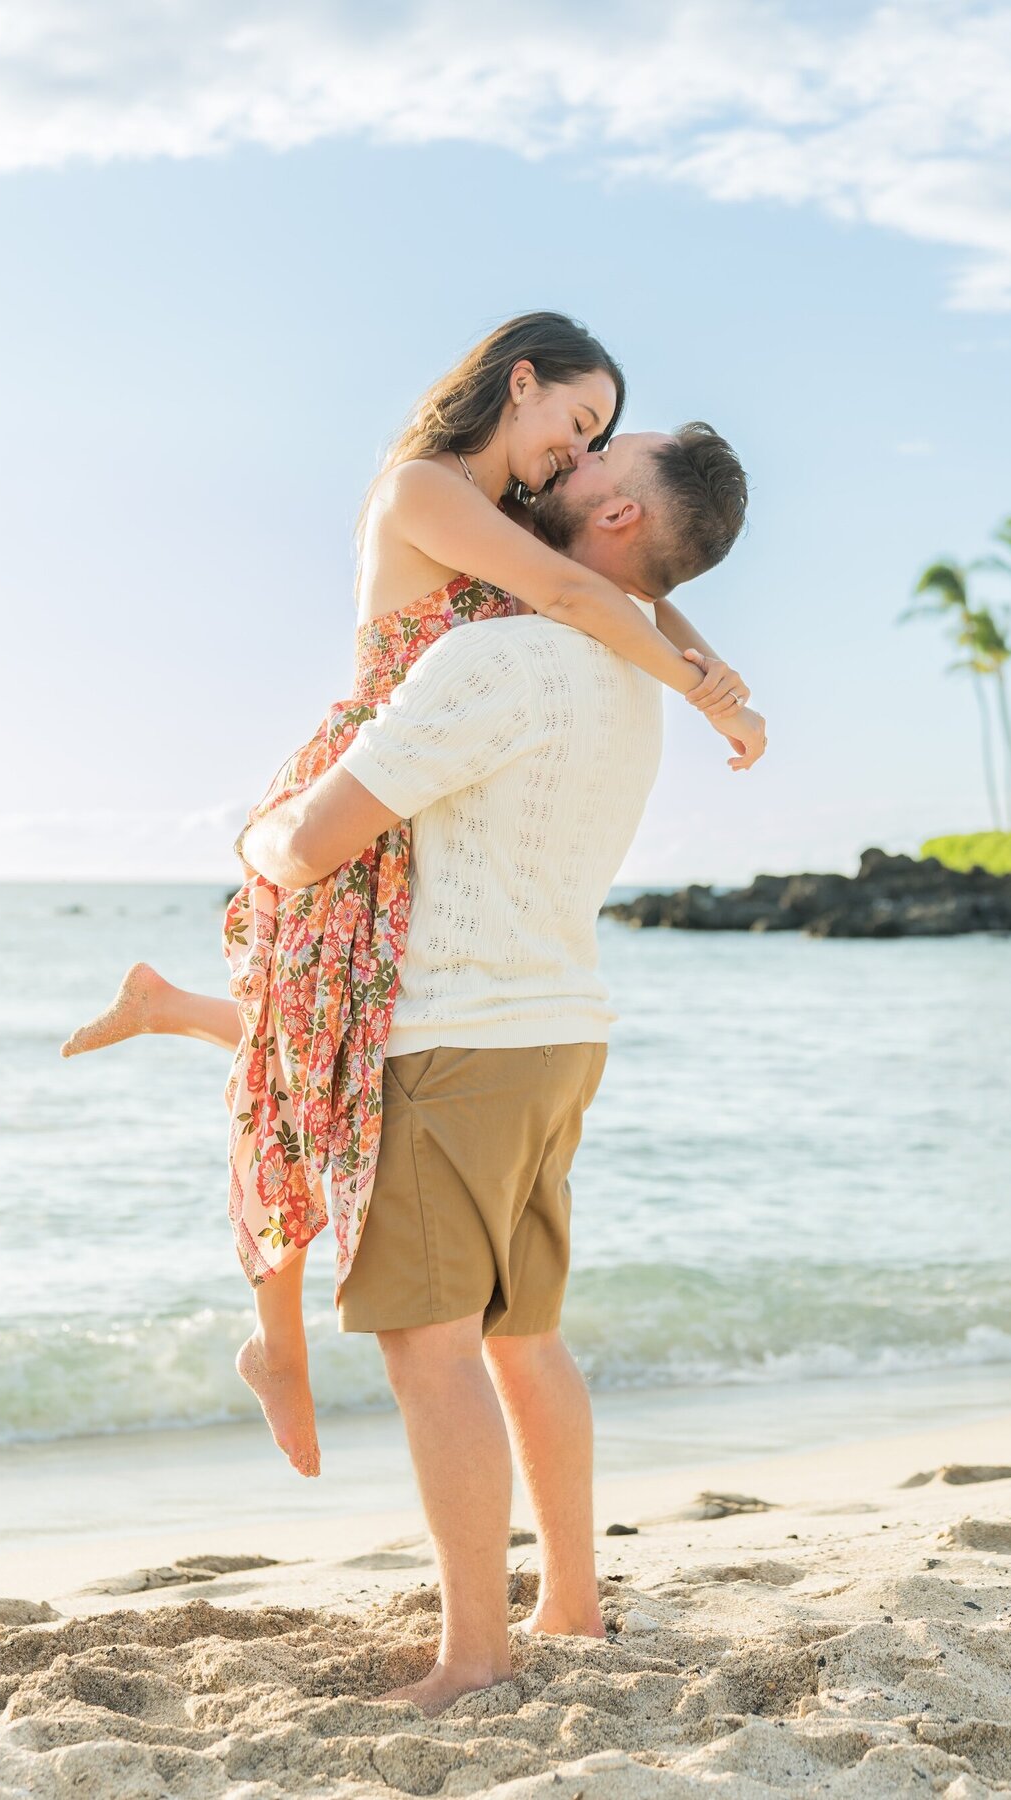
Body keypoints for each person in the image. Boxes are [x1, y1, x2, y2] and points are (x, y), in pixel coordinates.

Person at [61, 311, 765, 1484]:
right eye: (578, 426)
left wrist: (698, 642)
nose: (578, 459)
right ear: (523, 383)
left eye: (598, 447)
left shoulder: (511, 515)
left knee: (331, 1037)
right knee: (312, 1046)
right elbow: (588, 594)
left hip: (423, 783)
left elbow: (620, 577)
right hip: (371, 774)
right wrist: (709, 696)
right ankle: (274, 1337)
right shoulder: (428, 489)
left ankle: (185, 1039)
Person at [236, 424, 753, 1713]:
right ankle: (568, 1599)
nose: (555, 472)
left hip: (456, 1036)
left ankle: (475, 1657)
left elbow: (312, 844)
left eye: (592, 462)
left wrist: (253, 836)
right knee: (524, 1335)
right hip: (560, 1027)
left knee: (431, 1348)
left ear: (621, 518)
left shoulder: (496, 656)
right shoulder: (636, 679)